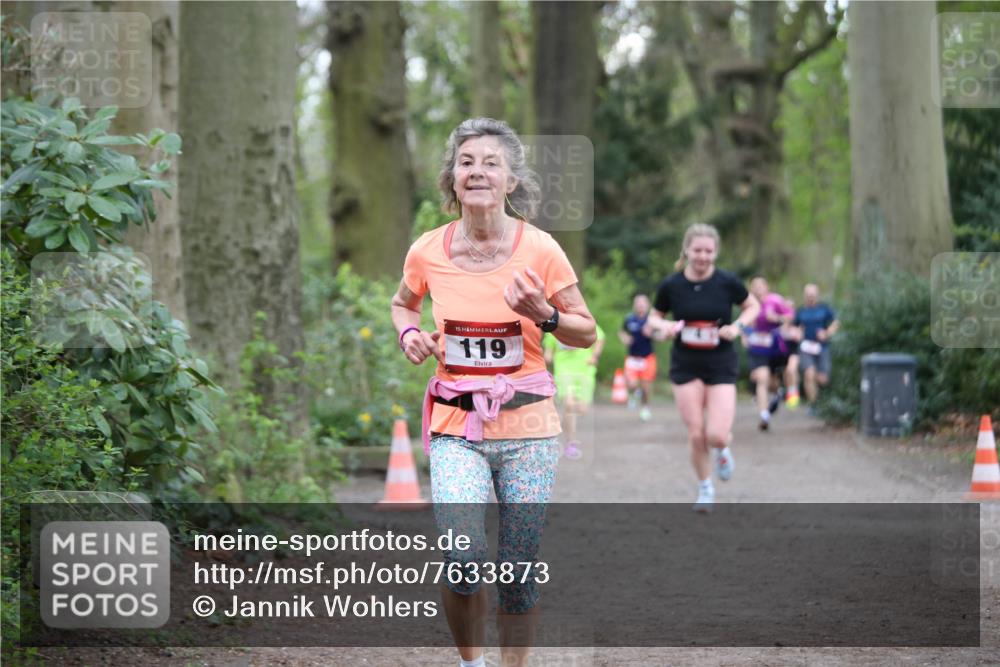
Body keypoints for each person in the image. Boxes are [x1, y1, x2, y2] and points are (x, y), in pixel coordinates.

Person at [391, 117, 597, 667]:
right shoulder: (427, 250)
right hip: (456, 426)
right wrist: (411, 334)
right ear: (452, 181)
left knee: (518, 570)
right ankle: (472, 663)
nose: (477, 170)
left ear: (510, 181)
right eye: (466, 162)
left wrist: (546, 315)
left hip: (529, 429)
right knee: (463, 560)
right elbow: (402, 304)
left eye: (490, 163)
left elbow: (586, 330)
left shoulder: (541, 249)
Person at [647, 223, 759, 513]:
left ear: (716, 252)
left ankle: (723, 449)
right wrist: (667, 326)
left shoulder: (727, 281)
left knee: (717, 434)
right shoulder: (672, 285)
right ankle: (705, 489)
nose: (703, 256)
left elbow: (753, 307)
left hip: (720, 363)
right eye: (697, 250)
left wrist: (737, 328)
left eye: (709, 251)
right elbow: (653, 319)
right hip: (686, 364)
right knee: (696, 433)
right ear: (687, 250)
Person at [543, 323, 606, 459]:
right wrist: (547, 358)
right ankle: (571, 443)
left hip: (585, 371)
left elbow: (600, 338)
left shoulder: (581, 320)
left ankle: (558, 418)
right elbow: (548, 352)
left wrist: (595, 355)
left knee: (582, 409)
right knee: (569, 404)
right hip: (564, 371)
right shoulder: (553, 326)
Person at [743, 277, 796, 431]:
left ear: (766, 287)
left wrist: (777, 318)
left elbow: (791, 315)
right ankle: (764, 415)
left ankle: (777, 393)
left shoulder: (775, 300)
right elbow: (744, 322)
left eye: (761, 286)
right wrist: (744, 335)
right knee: (761, 377)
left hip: (773, 348)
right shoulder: (748, 303)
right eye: (755, 286)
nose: (758, 289)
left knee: (771, 382)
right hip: (756, 348)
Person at [794, 283, 840, 413]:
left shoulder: (824, 309)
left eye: (812, 295)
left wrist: (827, 333)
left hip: (822, 348)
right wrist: (797, 333)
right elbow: (794, 327)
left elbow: (836, 322)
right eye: (808, 295)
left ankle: (824, 401)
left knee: (823, 379)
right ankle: (814, 405)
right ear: (804, 296)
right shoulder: (801, 311)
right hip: (805, 348)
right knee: (809, 374)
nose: (810, 297)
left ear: (817, 295)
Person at [619, 294, 657, 421]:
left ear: (647, 305)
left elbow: (662, 333)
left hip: (647, 357)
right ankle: (634, 393)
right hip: (633, 357)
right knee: (632, 383)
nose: (640, 305)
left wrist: (653, 334)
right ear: (634, 305)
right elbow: (622, 331)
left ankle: (645, 408)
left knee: (646, 387)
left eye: (643, 303)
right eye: (638, 303)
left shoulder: (652, 320)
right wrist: (625, 338)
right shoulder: (629, 319)